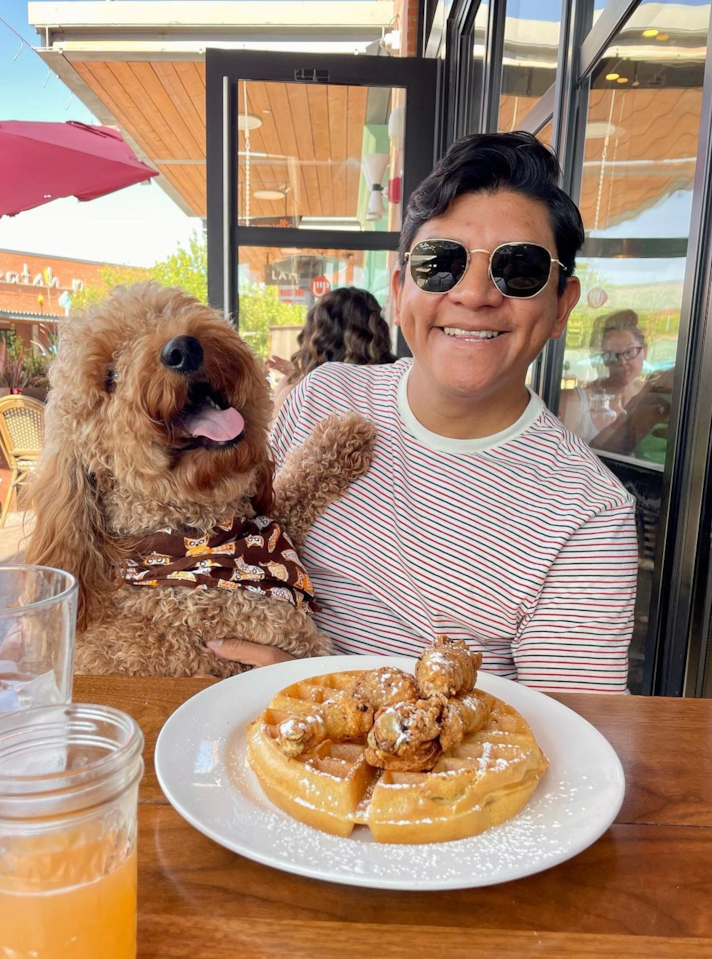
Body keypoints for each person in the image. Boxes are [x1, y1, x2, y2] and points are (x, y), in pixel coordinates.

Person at [207, 131, 637, 693]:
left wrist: (320, 693)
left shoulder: (589, 514)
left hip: (433, 774)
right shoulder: (321, 398)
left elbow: (565, 736)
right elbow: (225, 544)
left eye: (521, 268)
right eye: (441, 263)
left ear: (562, 306)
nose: (476, 294)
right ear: (399, 290)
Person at [266, 286, 396, 416]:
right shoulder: (395, 389)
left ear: (320, 341)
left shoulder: (302, 397)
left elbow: (269, 434)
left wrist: (287, 387)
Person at [560, 309, 647, 444]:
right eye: (611, 355)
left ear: (644, 350)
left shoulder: (650, 395)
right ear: (603, 359)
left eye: (629, 351)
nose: (622, 362)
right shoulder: (577, 401)